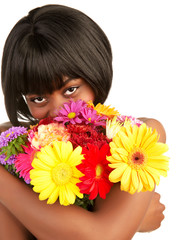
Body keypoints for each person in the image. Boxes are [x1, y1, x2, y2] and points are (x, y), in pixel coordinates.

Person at [0, 4, 166, 240]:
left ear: (95, 72)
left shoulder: (139, 136)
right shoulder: (10, 143)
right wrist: (134, 218)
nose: (60, 111)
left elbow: (101, 237)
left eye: (71, 90)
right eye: (38, 98)